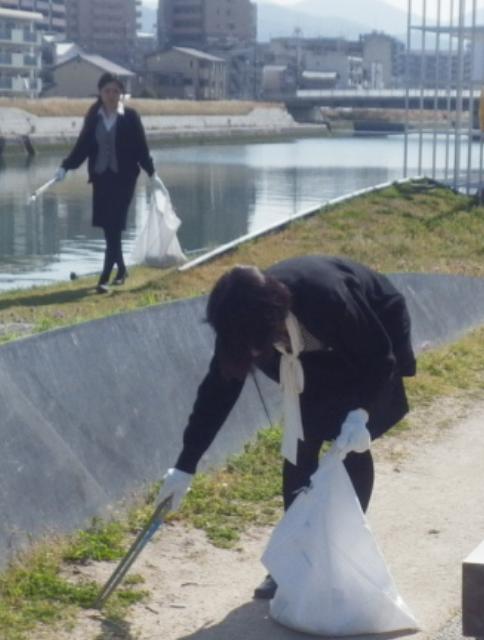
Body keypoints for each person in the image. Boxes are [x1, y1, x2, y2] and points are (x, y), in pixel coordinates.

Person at [154, 255, 417, 600]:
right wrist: (186, 464)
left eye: (254, 344)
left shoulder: (326, 297)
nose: (248, 350)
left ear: (272, 320)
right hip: (303, 357)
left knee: (349, 444)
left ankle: (343, 554)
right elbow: (218, 390)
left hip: (368, 341)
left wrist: (362, 414)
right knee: (301, 443)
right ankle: (293, 559)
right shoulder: (241, 320)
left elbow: (378, 359)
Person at [54, 73, 155, 293]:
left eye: (115, 91)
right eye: (107, 91)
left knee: (115, 226)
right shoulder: (94, 117)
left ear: (121, 93)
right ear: (100, 92)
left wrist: (152, 173)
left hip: (124, 178)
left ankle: (104, 278)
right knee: (110, 229)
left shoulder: (130, 116)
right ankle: (121, 270)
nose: (111, 95)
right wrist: (65, 166)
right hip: (102, 178)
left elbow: (141, 148)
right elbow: (83, 147)